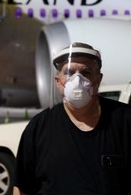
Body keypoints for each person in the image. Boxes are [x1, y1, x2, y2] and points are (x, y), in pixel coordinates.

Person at [13, 42, 131, 195]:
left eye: (86, 72)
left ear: (98, 80)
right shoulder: (39, 127)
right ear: (58, 82)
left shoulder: (125, 121)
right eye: (69, 72)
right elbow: (22, 188)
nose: (77, 80)